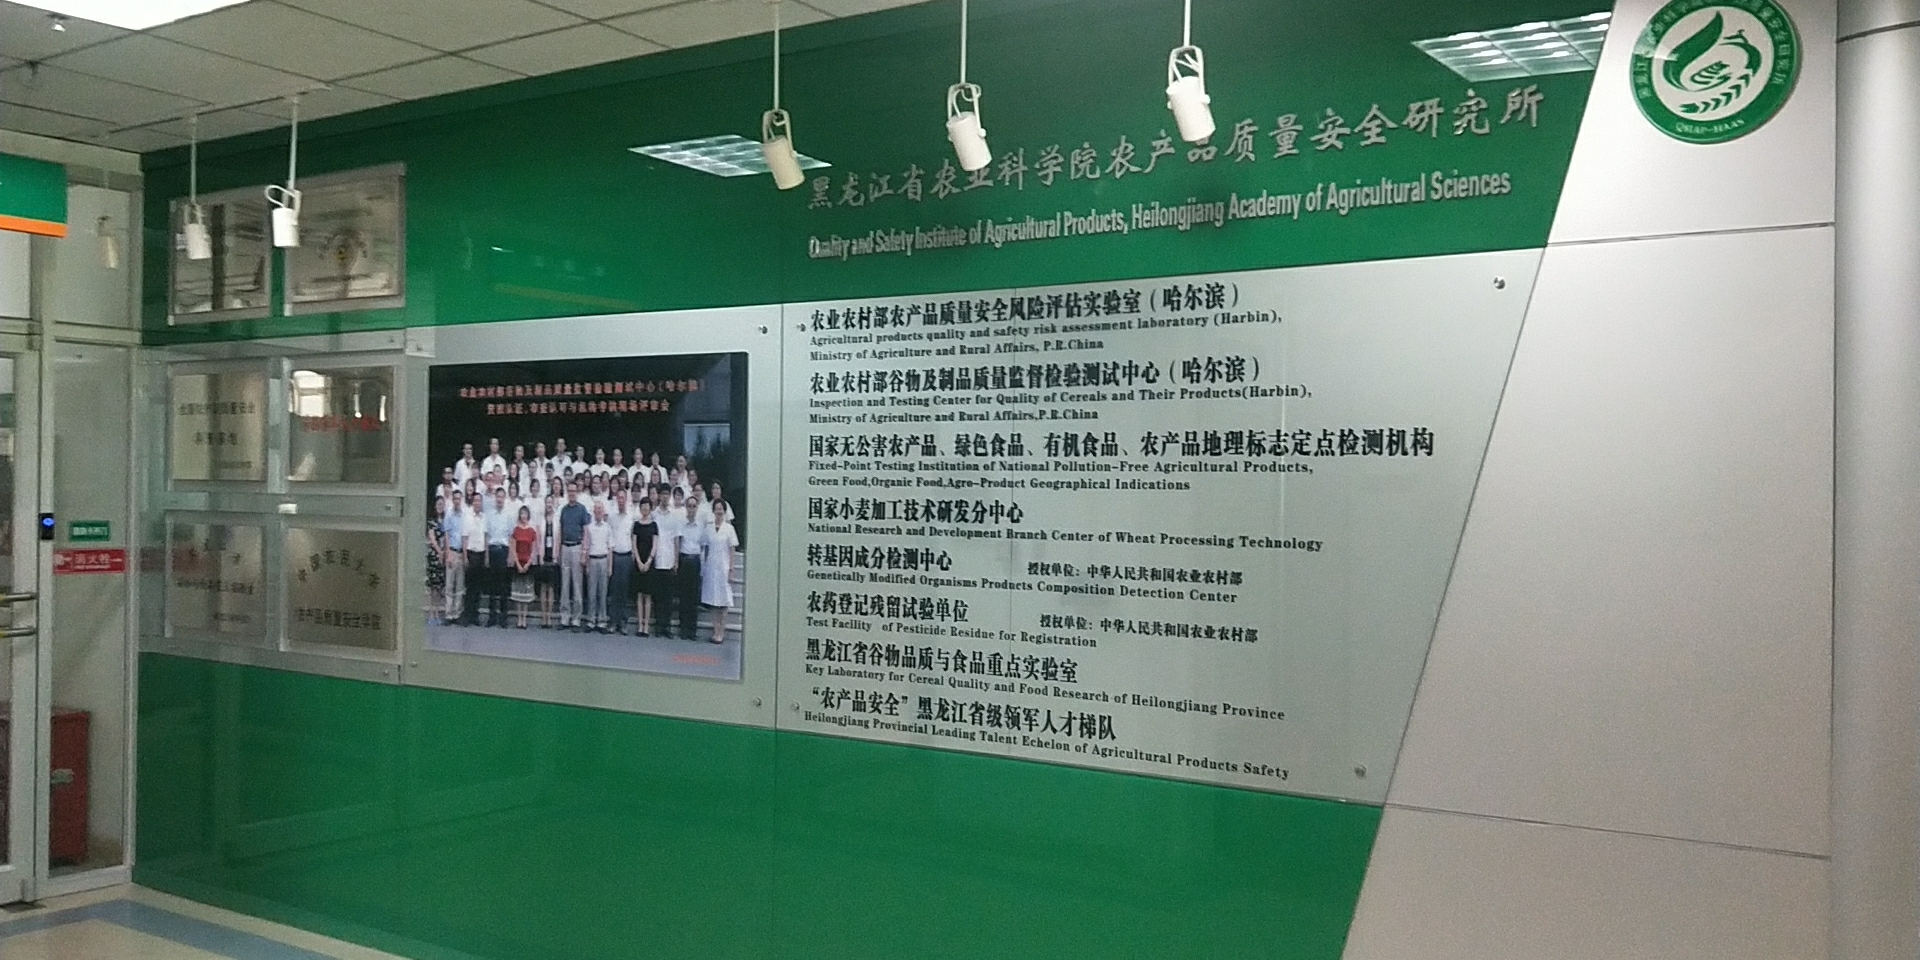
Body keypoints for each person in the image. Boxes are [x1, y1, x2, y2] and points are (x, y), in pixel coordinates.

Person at [701, 501, 740, 645]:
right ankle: (715, 630)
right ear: (713, 511)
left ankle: (721, 632)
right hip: (711, 567)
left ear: (724, 511)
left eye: (721, 509)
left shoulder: (729, 529)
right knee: (713, 600)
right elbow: (705, 547)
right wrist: (705, 567)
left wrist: (731, 569)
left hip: (724, 567)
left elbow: (732, 550)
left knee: (724, 601)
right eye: (716, 509)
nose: (719, 511)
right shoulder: (708, 528)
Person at [557, 483, 590, 629]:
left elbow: (586, 531)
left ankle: (576, 619)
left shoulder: (582, 509)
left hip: (577, 547)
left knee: (577, 585)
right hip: (565, 546)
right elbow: (561, 530)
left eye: (574, 491)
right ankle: (564, 618)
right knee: (565, 585)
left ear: (577, 492)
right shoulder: (564, 510)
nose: (571, 493)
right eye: (569, 491)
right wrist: (558, 551)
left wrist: (584, 552)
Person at [650, 491, 681, 637]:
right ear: (659, 496)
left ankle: (666, 627)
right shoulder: (653, 514)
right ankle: (658, 626)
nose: (665, 497)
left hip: (669, 560)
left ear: (670, 497)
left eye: (667, 494)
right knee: (657, 596)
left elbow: (676, 540)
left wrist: (676, 560)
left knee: (668, 597)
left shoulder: (674, 516)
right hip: (656, 559)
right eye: (662, 494)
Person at [675, 497, 706, 640]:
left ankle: (692, 630)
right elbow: (678, 543)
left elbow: (703, 546)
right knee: (684, 596)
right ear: (686, 507)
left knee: (693, 597)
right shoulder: (681, 524)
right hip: (684, 560)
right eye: (689, 506)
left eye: (694, 506)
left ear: (697, 508)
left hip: (695, 561)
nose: (692, 509)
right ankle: (683, 629)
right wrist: (676, 562)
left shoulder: (701, 526)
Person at [486, 486, 515, 628]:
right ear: (495, 498)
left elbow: (511, 536)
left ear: (505, 498)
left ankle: (503, 617)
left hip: (504, 551)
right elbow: (487, 536)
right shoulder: (489, 515)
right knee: (492, 586)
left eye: (502, 497)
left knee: (504, 586)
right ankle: (492, 617)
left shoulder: (509, 515)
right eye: (497, 497)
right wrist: (486, 555)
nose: (499, 499)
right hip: (492, 550)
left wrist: (511, 555)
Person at [607, 490, 635, 635]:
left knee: (624, 591)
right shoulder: (611, 517)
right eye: (619, 498)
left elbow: (632, 537)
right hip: (615, 556)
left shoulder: (631, 516)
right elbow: (609, 537)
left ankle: (623, 622)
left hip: (626, 556)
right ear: (616, 500)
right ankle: (613, 621)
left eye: (623, 498)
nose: (621, 500)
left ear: (626, 499)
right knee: (614, 590)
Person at [583, 501, 613, 633]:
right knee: (591, 592)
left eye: (601, 509)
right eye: (597, 509)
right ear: (594, 512)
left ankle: (602, 621)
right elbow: (586, 546)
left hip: (603, 560)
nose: (599, 511)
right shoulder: (589, 528)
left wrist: (610, 566)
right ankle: (590, 620)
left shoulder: (607, 528)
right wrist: (586, 563)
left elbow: (610, 548)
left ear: (603, 511)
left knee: (603, 593)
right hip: (593, 560)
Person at [631, 498, 658, 636]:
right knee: (639, 595)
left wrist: (648, 561)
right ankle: (639, 625)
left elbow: (655, 544)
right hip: (638, 561)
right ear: (640, 508)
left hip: (649, 562)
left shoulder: (654, 525)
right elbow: (634, 544)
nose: (645, 509)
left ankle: (646, 625)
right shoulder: (636, 524)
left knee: (647, 596)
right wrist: (638, 561)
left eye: (647, 506)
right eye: (643, 506)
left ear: (650, 508)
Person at [461, 490, 488, 626]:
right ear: (472, 502)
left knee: (478, 588)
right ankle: (467, 615)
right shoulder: (467, 517)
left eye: (479, 501)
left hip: (481, 553)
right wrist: (465, 556)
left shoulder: (484, 517)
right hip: (471, 554)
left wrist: (487, 556)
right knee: (470, 587)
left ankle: (475, 616)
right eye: (475, 501)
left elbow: (485, 537)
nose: (477, 503)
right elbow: (465, 538)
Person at [441, 493, 468, 623]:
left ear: (461, 500)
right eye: (455, 499)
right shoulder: (449, 514)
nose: (457, 501)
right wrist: (448, 553)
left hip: (461, 552)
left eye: (459, 499)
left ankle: (457, 613)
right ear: (452, 500)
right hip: (452, 551)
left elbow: (465, 535)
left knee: (459, 585)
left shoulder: (465, 515)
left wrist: (465, 553)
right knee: (449, 585)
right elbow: (446, 534)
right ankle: (448, 614)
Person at [510, 506, 537, 628]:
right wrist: (517, 563)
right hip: (518, 563)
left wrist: (527, 564)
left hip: (527, 564)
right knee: (518, 592)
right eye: (522, 514)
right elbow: (513, 548)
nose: (523, 516)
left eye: (525, 514)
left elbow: (533, 550)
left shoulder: (532, 531)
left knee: (526, 593)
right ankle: (519, 618)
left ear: (528, 515)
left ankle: (524, 619)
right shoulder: (516, 530)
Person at [537, 491, 560, 627]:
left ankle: (549, 617)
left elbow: (559, 538)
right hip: (543, 555)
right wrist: (539, 556)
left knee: (550, 588)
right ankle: (543, 617)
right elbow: (538, 539)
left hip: (553, 556)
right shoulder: (541, 520)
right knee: (543, 587)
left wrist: (557, 555)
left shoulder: (557, 520)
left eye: (551, 502)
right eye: (547, 502)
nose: (549, 505)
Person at [427, 496, 448, 623]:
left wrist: (444, 552)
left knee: (440, 586)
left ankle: (437, 612)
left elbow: (446, 538)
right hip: (434, 555)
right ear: (435, 506)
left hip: (444, 555)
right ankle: (431, 613)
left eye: (442, 504)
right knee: (432, 586)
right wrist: (439, 552)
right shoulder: (431, 521)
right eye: (438, 504)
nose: (440, 507)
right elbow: (432, 538)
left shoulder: (445, 521)